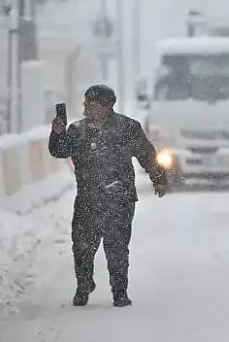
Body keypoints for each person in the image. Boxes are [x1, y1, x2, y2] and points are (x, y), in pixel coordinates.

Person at [48, 84, 168, 307]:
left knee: (117, 247)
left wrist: (159, 178)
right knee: (82, 246)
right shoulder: (77, 130)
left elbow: (146, 154)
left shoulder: (127, 128)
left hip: (119, 199)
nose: (85, 106)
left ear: (105, 105)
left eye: (89, 102)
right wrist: (57, 134)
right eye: (85, 102)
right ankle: (83, 286)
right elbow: (59, 151)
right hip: (87, 200)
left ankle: (119, 292)